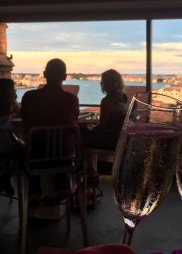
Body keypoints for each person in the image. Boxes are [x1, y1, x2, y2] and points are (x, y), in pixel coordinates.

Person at [20, 58, 79, 200]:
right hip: (64, 157)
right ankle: (62, 185)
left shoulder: (29, 96)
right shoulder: (72, 99)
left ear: (44, 74)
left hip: (35, 158)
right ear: (64, 77)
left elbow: (24, 119)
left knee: (27, 145)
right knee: (63, 142)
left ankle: (33, 191)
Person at [82, 69, 127, 179]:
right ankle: (90, 170)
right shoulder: (124, 100)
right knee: (85, 133)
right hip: (120, 140)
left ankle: (90, 170)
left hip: (109, 141)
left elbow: (102, 126)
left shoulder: (106, 101)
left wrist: (90, 128)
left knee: (81, 134)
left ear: (105, 84)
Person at [0, 78, 24, 195]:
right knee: (24, 148)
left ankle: (5, 176)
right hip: (4, 143)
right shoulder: (10, 102)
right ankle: (12, 176)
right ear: (9, 91)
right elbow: (21, 113)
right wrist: (14, 100)